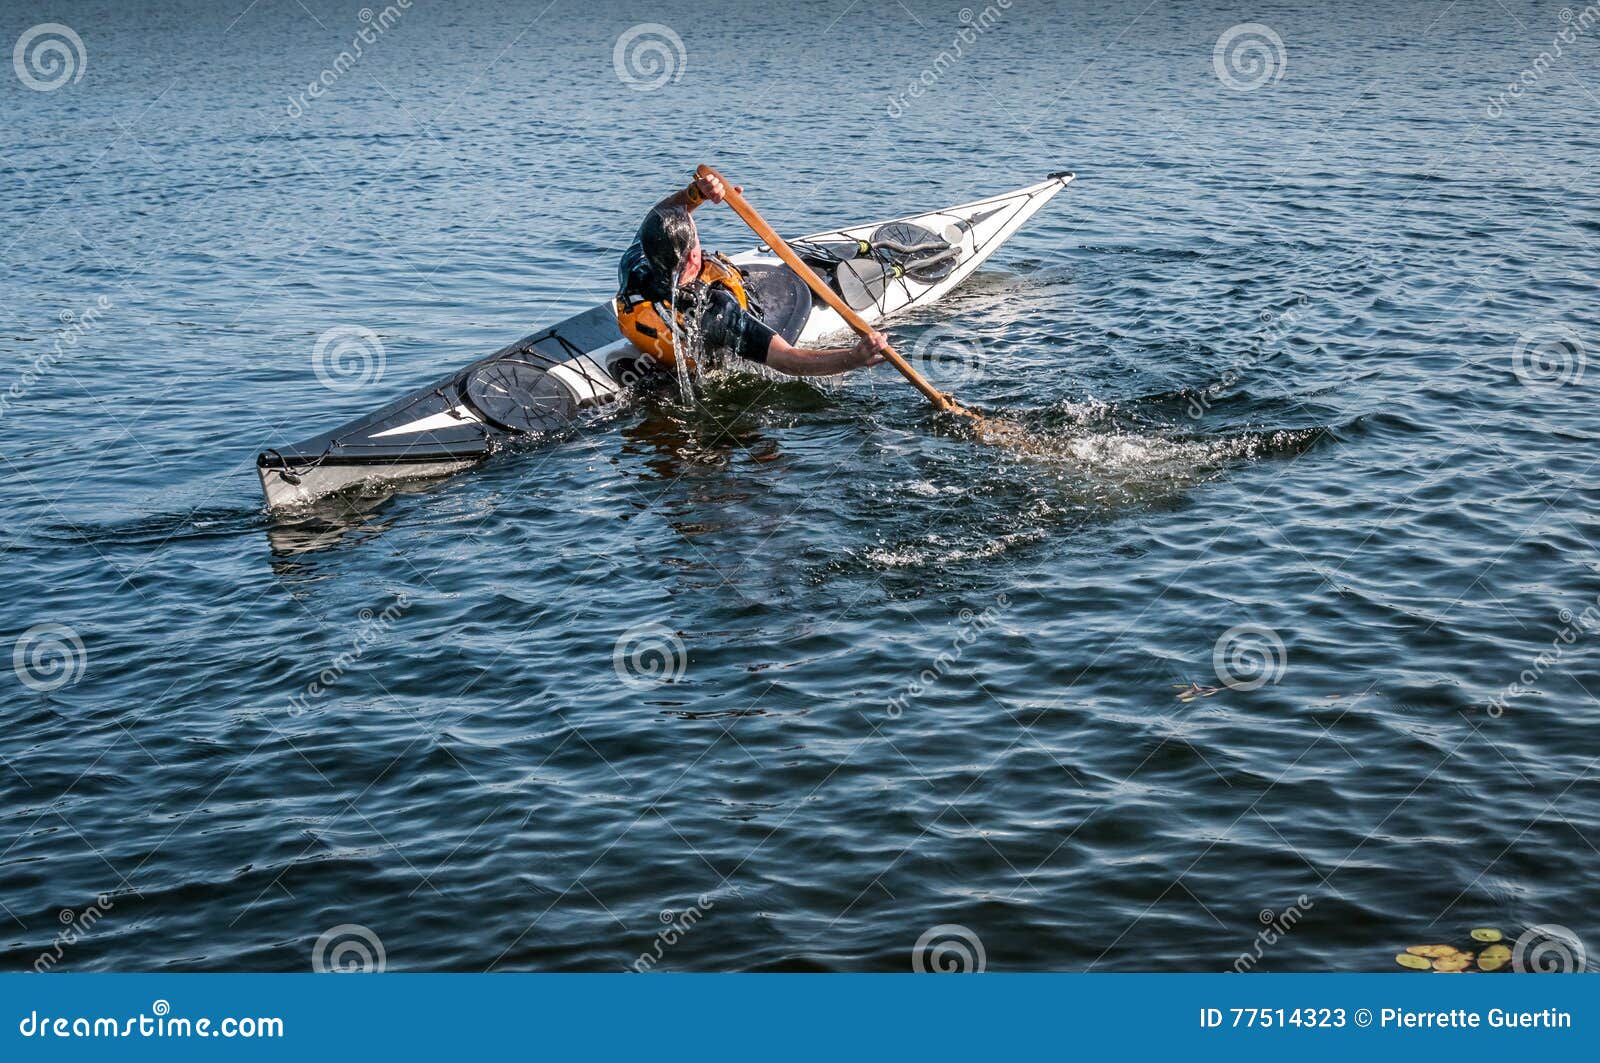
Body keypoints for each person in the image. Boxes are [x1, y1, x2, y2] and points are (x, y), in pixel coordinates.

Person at [615, 172, 889, 376]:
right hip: (717, 345)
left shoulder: (635, 263)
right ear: (694, 256)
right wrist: (854, 358)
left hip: (651, 339)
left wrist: (694, 194)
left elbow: (659, 215)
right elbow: (788, 360)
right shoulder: (715, 312)